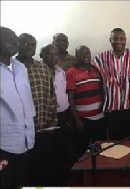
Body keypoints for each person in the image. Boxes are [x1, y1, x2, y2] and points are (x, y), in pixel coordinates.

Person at [16, 33, 59, 186]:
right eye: (25, 44)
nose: (29, 47)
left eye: (32, 44)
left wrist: (53, 119)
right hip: (20, 131)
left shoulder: (43, 68)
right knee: (23, 169)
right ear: (17, 45)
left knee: (43, 166)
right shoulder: (11, 69)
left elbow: (51, 96)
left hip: (43, 127)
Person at [92, 28, 130, 140]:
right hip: (112, 108)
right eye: (115, 38)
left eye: (121, 38)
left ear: (125, 40)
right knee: (114, 143)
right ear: (110, 40)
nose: (118, 41)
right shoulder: (100, 58)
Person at [0, 26, 36, 188]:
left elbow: (26, 98)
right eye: (10, 38)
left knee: (20, 181)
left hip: (25, 137)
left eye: (16, 38)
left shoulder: (20, 67)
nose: (15, 41)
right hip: (3, 142)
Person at [40, 43, 75, 185]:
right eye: (49, 54)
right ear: (42, 56)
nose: (53, 57)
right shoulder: (39, 71)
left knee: (63, 149)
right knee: (48, 151)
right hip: (46, 117)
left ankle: (63, 179)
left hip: (63, 115)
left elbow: (65, 93)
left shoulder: (61, 72)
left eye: (55, 54)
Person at [67, 45, 106, 158]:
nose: (85, 56)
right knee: (81, 149)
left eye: (87, 53)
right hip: (83, 120)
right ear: (76, 56)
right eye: (81, 53)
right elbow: (70, 98)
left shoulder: (97, 70)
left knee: (101, 149)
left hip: (100, 117)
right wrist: (76, 120)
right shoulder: (71, 73)